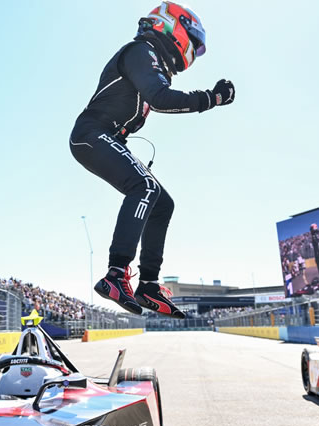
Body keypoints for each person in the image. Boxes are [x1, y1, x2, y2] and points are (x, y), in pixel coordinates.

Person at [69, 2, 235, 318]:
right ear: (174, 28)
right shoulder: (141, 51)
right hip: (91, 133)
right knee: (145, 186)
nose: (194, 52)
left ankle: (148, 283)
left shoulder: (151, 60)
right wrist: (211, 98)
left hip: (106, 137)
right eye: (194, 44)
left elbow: (158, 98)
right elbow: (160, 99)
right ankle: (116, 274)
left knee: (162, 203)